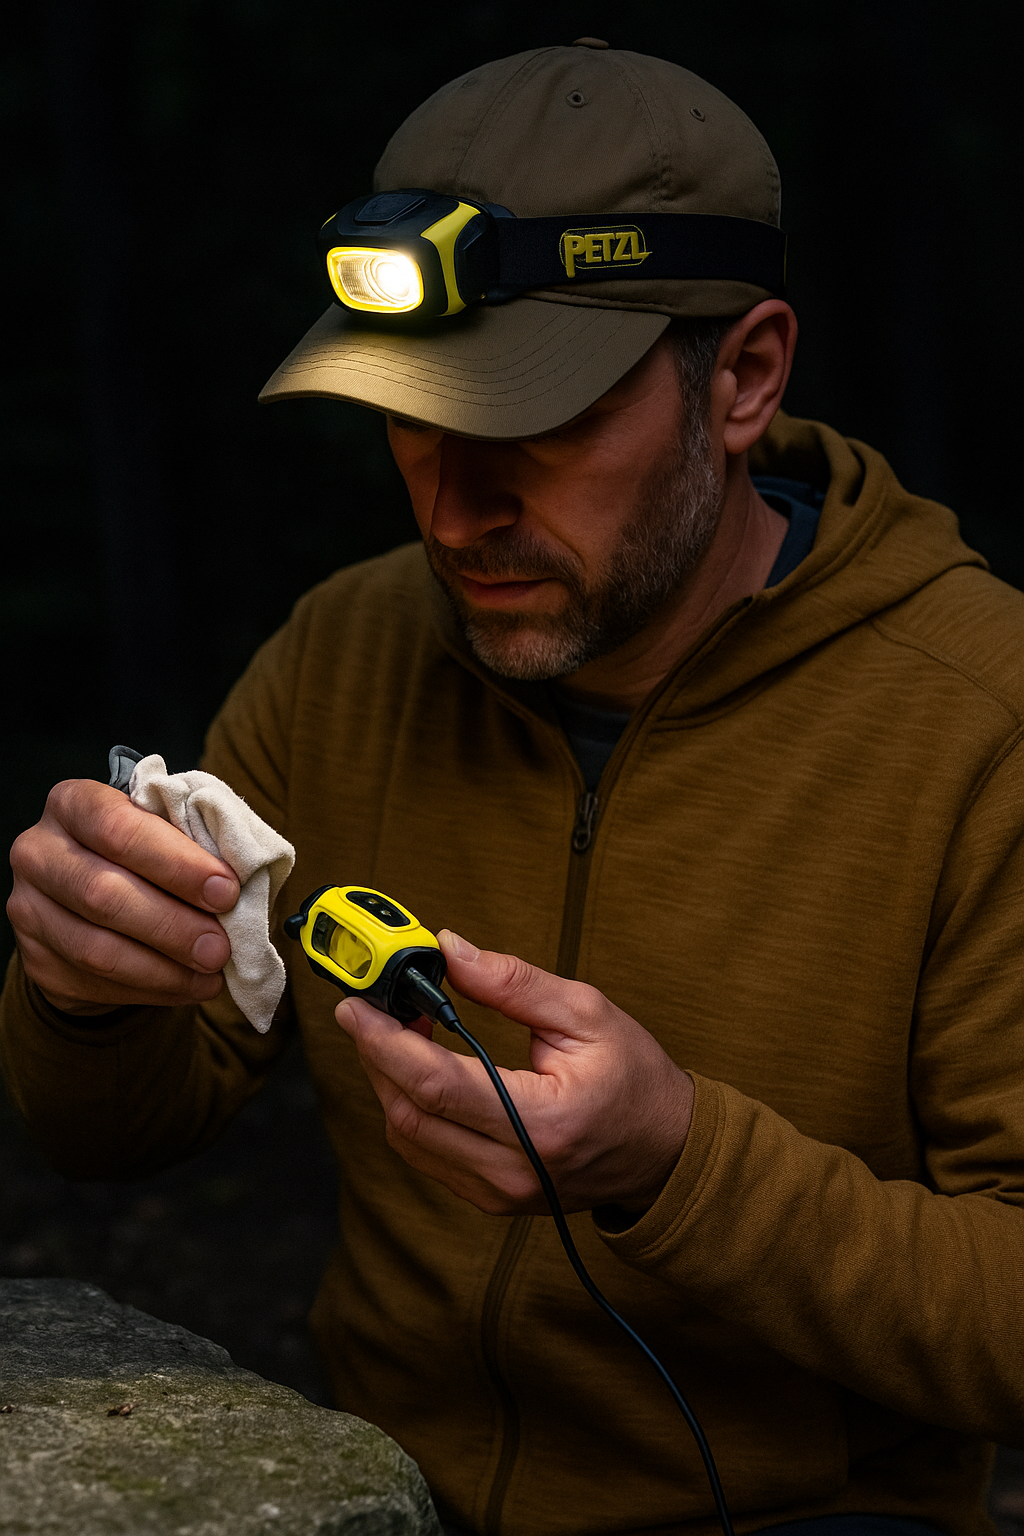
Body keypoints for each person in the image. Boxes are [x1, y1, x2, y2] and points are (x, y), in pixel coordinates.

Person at [3, 39, 1024, 1536]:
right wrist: (85, 985)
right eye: (415, 416)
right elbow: (116, 1133)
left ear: (743, 376)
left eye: (538, 427)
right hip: (382, 1497)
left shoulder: (981, 721)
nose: (456, 505)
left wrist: (679, 1162)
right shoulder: (344, 649)